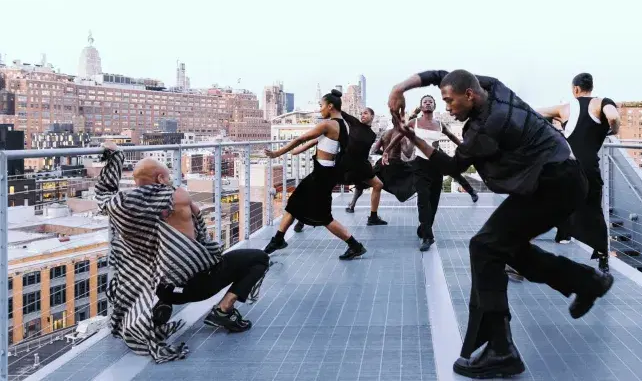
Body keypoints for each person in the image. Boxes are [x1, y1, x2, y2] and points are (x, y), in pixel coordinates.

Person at [388, 69, 614, 379]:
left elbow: (453, 166)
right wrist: (403, 88)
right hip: (558, 178)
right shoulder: (494, 87)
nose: (447, 106)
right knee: (507, 247)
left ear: (469, 96)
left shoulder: (487, 127)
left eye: (449, 100)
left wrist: (412, 133)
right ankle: (586, 282)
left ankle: (501, 348)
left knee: (484, 247)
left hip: (555, 183)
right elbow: (444, 74)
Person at [95, 142, 269, 363]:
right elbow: (198, 220)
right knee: (259, 259)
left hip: (158, 288)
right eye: (166, 176)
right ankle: (223, 310)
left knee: (164, 266)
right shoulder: (178, 196)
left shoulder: (124, 204)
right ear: (160, 179)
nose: (170, 179)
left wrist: (116, 156)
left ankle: (162, 304)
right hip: (198, 285)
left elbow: (102, 195)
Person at [263, 90, 367, 260]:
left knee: (324, 217)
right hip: (325, 172)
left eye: (321, 106)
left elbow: (300, 138)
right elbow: (318, 141)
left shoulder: (328, 124)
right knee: (294, 203)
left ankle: (355, 245)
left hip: (322, 175)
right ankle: (278, 239)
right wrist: (300, 151)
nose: (320, 109)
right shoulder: (343, 124)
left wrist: (277, 153)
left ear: (330, 106)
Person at [536, 73, 620, 272]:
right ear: (591, 87)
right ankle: (602, 257)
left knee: (553, 205)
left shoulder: (565, 108)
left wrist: (557, 123)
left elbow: (534, 113)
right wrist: (613, 130)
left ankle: (522, 252)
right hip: (589, 167)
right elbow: (614, 116)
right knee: (594, 209)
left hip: (566, 165)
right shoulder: (601, 103)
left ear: (575, 89)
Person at [384, 95, 470, 251]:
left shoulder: (439, 124)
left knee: (434, 201)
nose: (428, 103)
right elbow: (398, 137)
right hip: (420, 165)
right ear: (421, 107)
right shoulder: (414, 123)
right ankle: (427, 237)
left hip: (436, 165)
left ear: (434, 106)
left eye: (431, 101)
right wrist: (386, 152)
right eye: (425, 102)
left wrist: (465, 149)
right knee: (423, 200)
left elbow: (452, 137)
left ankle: (424, 227)